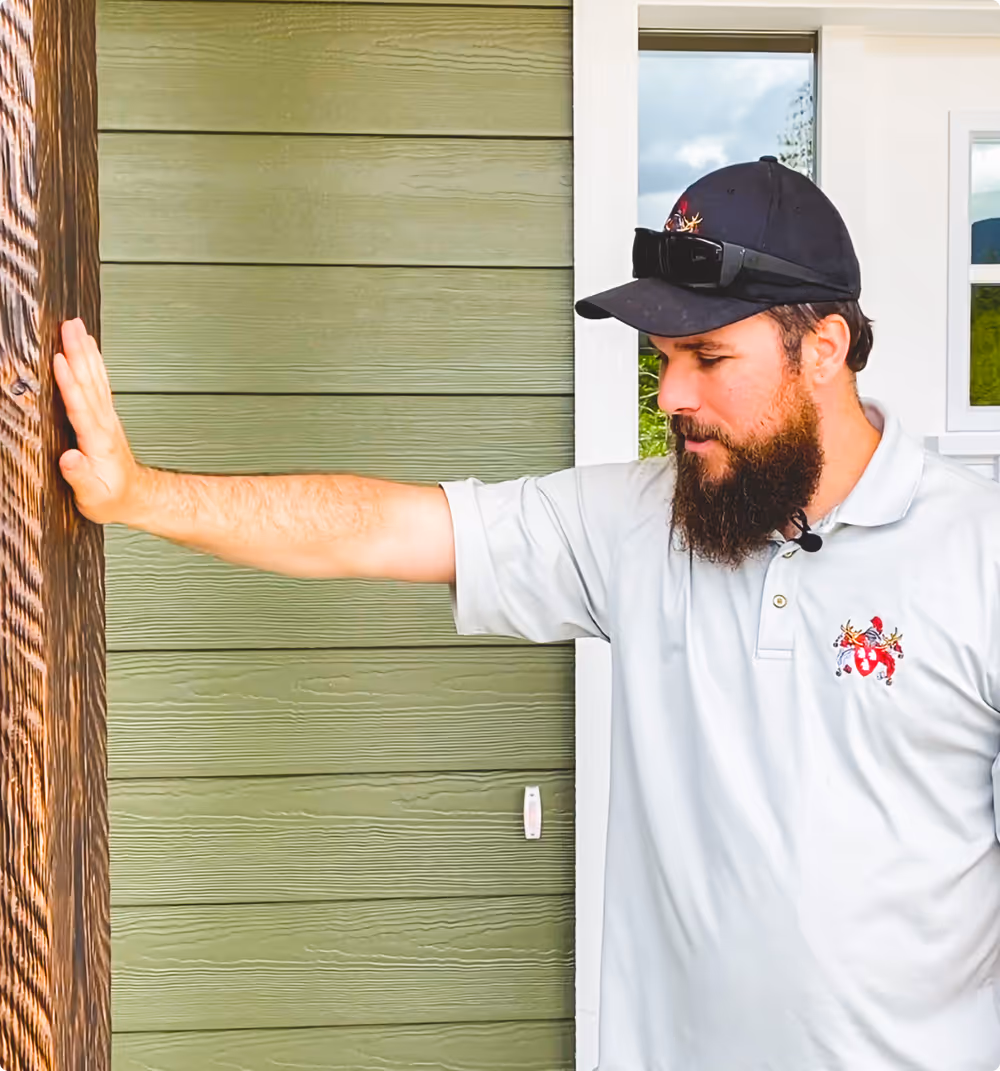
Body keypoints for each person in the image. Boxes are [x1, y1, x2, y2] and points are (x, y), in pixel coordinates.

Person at [54, 158, 1000, 1070]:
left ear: (823, 349)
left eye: (710, 357)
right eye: (665, 358)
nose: (672, 395)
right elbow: (376, 527)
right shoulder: (640, 523)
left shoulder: (978, 550)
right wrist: (138, 494)